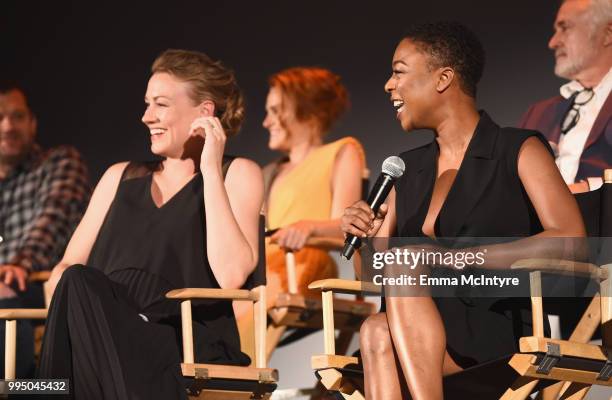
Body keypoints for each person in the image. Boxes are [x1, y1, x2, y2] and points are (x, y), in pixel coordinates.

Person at [341, 22, 585, 399]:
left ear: (443, 78)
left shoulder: (515, 149)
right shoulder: (406, 170)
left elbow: (571, 241)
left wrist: (463, 258)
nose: (389, 85)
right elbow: (374, 276)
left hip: (490, 325)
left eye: (399, 71)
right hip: (410, 333)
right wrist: (366, 242)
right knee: (376, 328)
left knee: (391, 302)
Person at [37, 49, 264, 400]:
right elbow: (65, 268)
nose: (146, 117)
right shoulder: (118, 176)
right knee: (74, 280)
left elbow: (232, 274)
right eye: (147, 104)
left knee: (77, 286)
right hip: (104, 345)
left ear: (204, 113)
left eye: (161, 104)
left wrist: (210, 170)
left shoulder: (237, 174)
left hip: (181, 344)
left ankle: (47, 391)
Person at [0, 81, 90, 377]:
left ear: (32, 123)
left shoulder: (59, 161)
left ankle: (19, 391)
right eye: (0, 117)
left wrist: (19, 265)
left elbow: (51, 222)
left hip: (45, 285)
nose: (8, 126)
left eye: (17, 116)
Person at [519, 0, 612, 194]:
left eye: (565, 28)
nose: (553, 43)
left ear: (607, 34)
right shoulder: (538, 113)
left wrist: (588, 188)